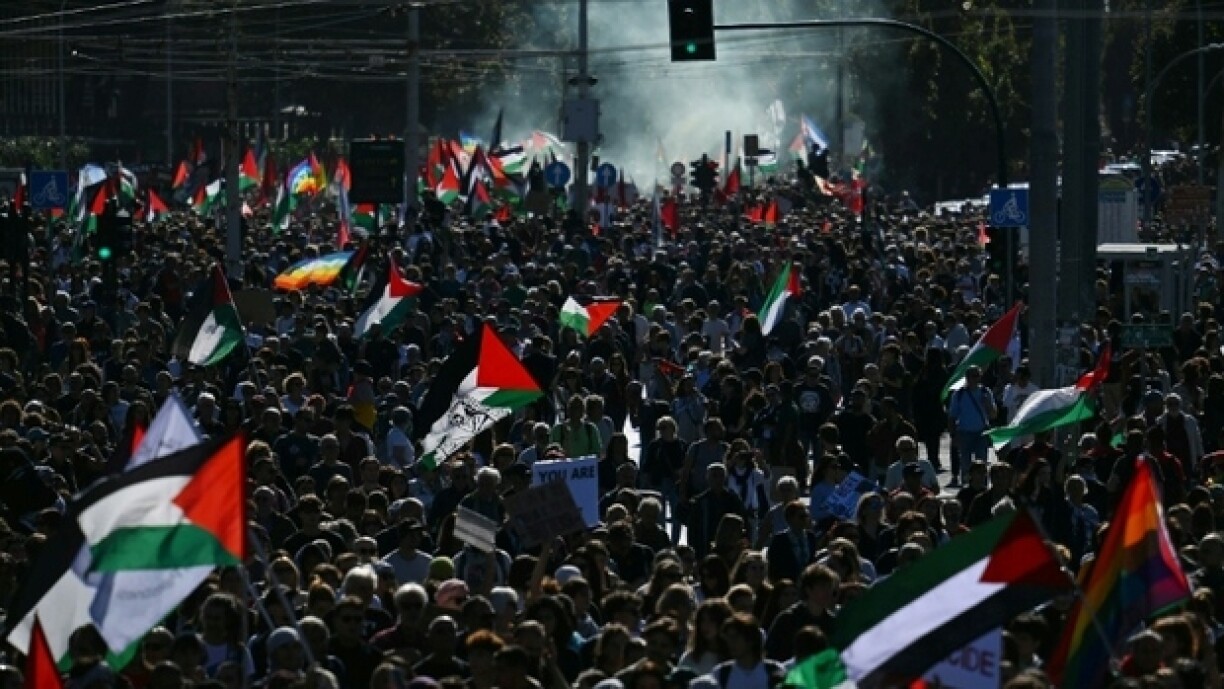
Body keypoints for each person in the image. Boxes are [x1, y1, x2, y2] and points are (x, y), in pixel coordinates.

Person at [947, 365, 997, 487]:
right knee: (966, 463)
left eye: (977, 376)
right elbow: (952, 416)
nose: (974, 379)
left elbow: (994, 415)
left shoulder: (985, 392)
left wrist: (987, 405)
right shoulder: (959, 394)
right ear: (967, 378)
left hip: (981, 432)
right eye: (972, 376)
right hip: (964, 432)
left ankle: (983, 486)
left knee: (982, 462)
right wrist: (953, 435)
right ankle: (967, 486)